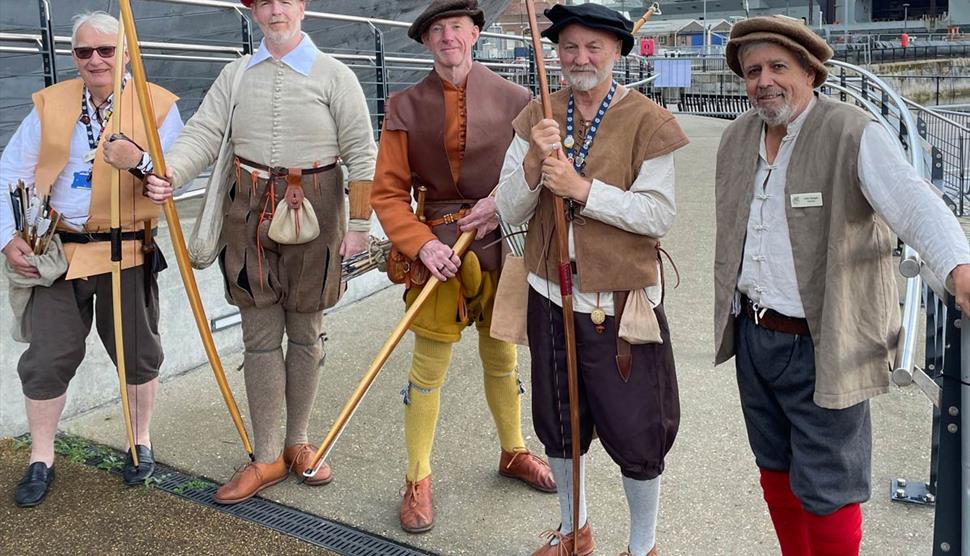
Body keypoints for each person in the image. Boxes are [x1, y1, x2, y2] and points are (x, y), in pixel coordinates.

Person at [714, 16, 970, 555]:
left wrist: (957, 267)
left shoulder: (851, 131)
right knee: (774, 467)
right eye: (753, 70)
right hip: (754, 335)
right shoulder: (738, 138)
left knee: (830, 487)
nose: (764, 81)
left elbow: (914, 201)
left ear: (809, 72)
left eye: (778, 67)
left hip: (824, 341)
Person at [146, 0, 377, 504]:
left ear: (303, 7)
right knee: (259, 334)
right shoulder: (234, 75)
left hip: (319, 213)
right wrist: (169, 175)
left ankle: (299, 443)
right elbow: (203, 135)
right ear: (254, 12)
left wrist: (359, 225)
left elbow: (362, 153)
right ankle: (267, 455)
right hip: (246, 210)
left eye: (285, 1)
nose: (276, 10)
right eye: (265, 2)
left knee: (307, 331)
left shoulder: (336, 76)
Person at [496, 4, 689, 555]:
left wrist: (581, 190)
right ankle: (573, 530)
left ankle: (642, 546)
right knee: (559, 420)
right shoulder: (539, 113)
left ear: (619, 53)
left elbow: (657, 214)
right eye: (570, 47)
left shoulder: (648, 121)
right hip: (549, 295)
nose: (580, 58)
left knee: (638, 431)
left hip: (620, 303)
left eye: (594, 47)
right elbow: (509, 208)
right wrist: (536, 160)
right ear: (556, 53)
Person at [370, 0, 557, 535]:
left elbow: (538, 170)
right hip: (436, 254)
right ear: (426, 42)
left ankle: (514, 451)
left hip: (499, 243)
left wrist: (502, 201)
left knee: (501, 357)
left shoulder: (519, 99)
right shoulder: (404, 105)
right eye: (437, 30)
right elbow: (387, 194)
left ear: (475, 33)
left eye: (457, 27)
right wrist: (420, 243)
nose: (448, 37)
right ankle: (417, 478)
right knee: (427, 367)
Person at [0, 11, 183, 506]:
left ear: (125, 53)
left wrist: (142, 164)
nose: (96, 59)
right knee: (46, 359)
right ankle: (41, 458)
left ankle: (140, 442)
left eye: (106, 50)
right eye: (85, 51)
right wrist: (6, 236)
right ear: (74, 56)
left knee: (139, 355)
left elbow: (170, 178)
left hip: (126, 250)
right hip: (60, 253)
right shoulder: (51, 104)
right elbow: (10, 169)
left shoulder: (156, 105)